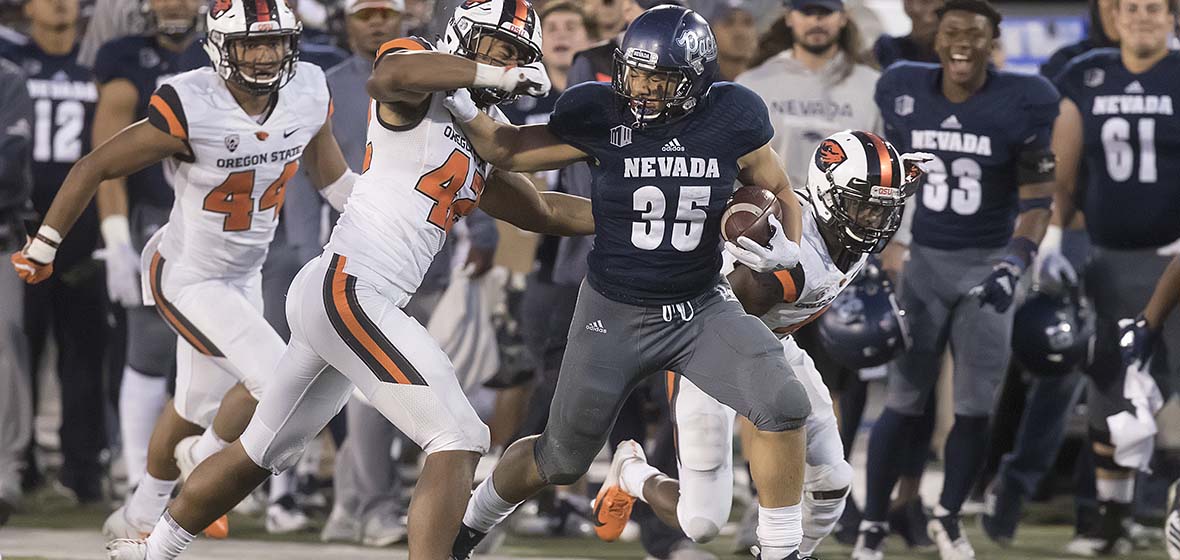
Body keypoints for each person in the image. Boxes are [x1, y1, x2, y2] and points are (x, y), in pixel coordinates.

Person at [100, 1, 597, 558]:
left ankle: (151, 549)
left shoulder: (479, 130)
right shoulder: (423, 75)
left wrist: (642, 213)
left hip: (341, 294)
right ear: (466, 37)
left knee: (260, 454)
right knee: (458, 438)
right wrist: (490, 72)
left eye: (516, 56)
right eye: (500, 48)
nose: (509, 64)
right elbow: (392, 77)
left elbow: (542, 211)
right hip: (354, 289)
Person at [445, 6, 817, 560]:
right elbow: (506, 150)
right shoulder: (599, 111)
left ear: (695, 81)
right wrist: (459, 97)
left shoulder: (733, 115)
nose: (640, 89)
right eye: (634, 73)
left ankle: (785, 549)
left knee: (783, 402)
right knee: (561, 459)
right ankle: (470, 525)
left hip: (700, 307)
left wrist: (786, 249)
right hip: (612, 310)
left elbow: (780, 189)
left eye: (658, 80)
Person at [13, 0, 355, 541]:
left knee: (195, 401)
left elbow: (332, 179)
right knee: (276, 380)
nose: (265, 56)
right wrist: (45, 244)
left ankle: (142, 510)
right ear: (221, 48)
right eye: (250, 44)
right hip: (187, 275)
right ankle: (204, 458)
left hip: (244, 273)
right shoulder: (192, 102)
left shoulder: (309, 89)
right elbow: (95, 165)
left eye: (274, 42)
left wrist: (384, 221)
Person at [595, 130, 926, 558]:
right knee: (701, 522)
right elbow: (711, 321)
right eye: (863, 207)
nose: (873, 221)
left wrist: (907, 170)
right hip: (707, 351)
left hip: (774, 342)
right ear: (828, 194)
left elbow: (905, 177)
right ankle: (630, 472)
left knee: (832, 487)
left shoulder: (847, 224)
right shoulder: (781, 257)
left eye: (882, 210)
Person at [854, 1, 1060, 559]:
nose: (962, 42)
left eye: (975, 33)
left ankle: (947, 517)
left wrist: (1015, 261)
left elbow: (1039, 201)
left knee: (973, 406)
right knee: (903, 399)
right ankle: (873, 523)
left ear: (994, 42)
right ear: (936, 38)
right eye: (952, 32)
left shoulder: (1024, 99)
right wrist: (876, 247)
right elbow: (886, 177)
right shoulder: (902, 87)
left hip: (987, 265)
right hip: (923, 262)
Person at [978, 0, 1121, 544]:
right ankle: (1014, 492)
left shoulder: (1170, 67)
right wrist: (1055, 235)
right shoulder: (1072, 64)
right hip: (1082, 233)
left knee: (1129, 379)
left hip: (1150, 242)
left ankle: (1105, 509)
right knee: (1063, 368)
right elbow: (1049, 159)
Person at [1044, 0, 1180, 553]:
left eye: (1154, 7)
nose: (1142, 16)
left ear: (1173, 17)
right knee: (1110, 387)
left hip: (1174, 253)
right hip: (1107, 255)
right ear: (1113, 16)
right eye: (1131, 7)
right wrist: (1052, 237)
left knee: (1167, 390)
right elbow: (1063, 163)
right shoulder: (1087, 73)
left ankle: (1154, 509)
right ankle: (1112, 520)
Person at [89, 0, 206, 499]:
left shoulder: (227, 52)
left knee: (221, 356)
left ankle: (210, 469)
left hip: (227, 217)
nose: (174, 3)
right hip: (157, 216)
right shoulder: (125, 57)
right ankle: (141, 475)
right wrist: (117, 241)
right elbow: (105, 154)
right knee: (151, 347)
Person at [3, 0, 107, 503]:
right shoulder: (10, 61)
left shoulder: (101, 62)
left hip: (84, 234)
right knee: (19, 351)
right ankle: (18, 464)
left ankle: (83, 469)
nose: (61, 3)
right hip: (20, 229)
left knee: (85, 357)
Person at [0, 55, 33, 527]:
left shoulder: (7, 77)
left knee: (3, 348)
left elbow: (7, 165)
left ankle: (4, 473)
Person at [871, 0, 943, 67]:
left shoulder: (948, 51)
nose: (915, 8)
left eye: (926, 1)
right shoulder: (888, 47)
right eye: (909, 1)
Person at [703, 0, 758, 80]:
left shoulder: (766, 84)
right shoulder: (697, 88)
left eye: (748, 22)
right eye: (729, 22)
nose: (740, 32)